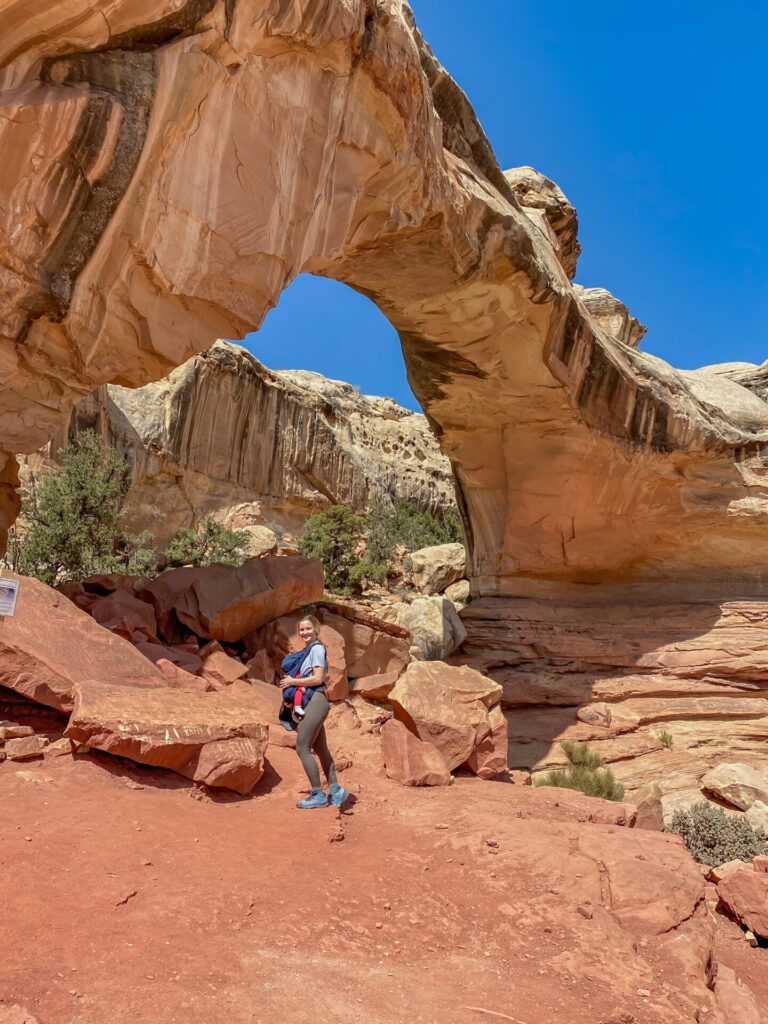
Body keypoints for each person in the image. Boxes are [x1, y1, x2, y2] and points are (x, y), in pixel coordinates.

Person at [279, 615, 349, 809]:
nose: (305, 632)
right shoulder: (308, 650)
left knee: (302, 746)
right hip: (314, 701)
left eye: (308, 629)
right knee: (320, 748)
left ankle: (317, 794)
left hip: (316, 700)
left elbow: (318, 678)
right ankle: (336, 791)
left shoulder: (317, 648)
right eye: (301, 630)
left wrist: (292, 682)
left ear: (316, 629)